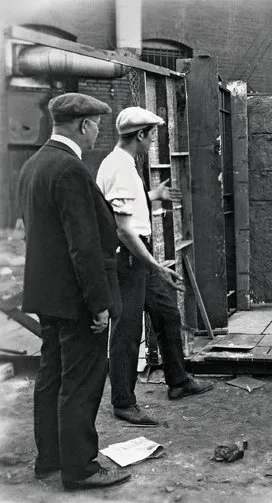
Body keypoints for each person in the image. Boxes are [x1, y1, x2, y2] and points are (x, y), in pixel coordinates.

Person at [18, 93, 131, 489]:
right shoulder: (71, 170)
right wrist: (99, 304)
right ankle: (80, 468)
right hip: (76, 299)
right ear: (84, 125)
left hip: (48, 296)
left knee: (51, 377)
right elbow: (83, 244)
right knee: (81, 382)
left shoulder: (34, 165)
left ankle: (49, 459)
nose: (98, 131)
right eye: (97, 124)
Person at [96, 106, 213, 426]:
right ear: (140, 135)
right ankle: (123, 401)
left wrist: (153, 194)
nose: (152, 143)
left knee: (166, 312)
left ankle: (178, 382)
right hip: (129, 257)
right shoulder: (119, 167)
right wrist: (156, 265)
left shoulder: (121, 164)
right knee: (127, 330)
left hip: (139, 256)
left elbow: (125, 205)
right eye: (151, 136)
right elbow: (121, 228)